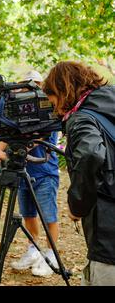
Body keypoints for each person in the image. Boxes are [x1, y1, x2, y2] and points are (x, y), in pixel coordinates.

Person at [42, 61, 115, 285]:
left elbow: (91, 154)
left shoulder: (81, 118)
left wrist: (77, 204)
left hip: (108, 228)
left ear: (64, 90)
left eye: (53, 100)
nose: (54, 109)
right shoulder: (108, 99)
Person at [0, 70, 61, 277]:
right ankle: (33, 250)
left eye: (34, 84)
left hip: (44, 173)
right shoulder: (18, 110)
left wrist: (5, 154)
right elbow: (9, 132)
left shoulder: (48, 110)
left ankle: (51, 255)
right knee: (28, 214)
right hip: (22, 172)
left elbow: (30, 140)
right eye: (25, 85)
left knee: (49, 216)